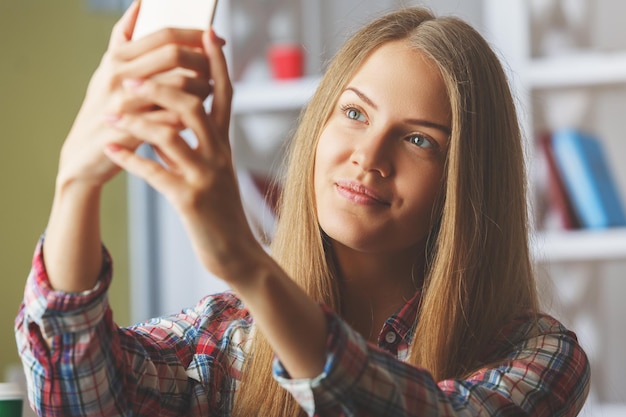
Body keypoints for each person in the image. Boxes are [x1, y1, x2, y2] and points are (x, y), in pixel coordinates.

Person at [15, 2, 590, 416]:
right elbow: (79, 395)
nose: (368, 157)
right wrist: (76, 182)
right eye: (356, 114)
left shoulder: (540, 356)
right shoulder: (228, 339)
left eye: (419, 140)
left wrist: (248, 263)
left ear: (467, 183)